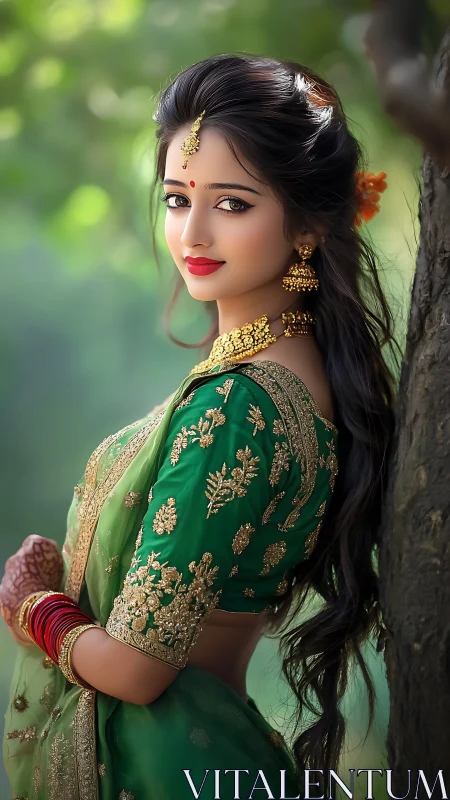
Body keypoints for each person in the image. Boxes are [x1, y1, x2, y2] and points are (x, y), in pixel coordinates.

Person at [1, 54, 398, 799]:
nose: (194, 232)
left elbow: (136, 671)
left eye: (233, 204)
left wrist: (33, 605)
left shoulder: (236, 407)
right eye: (178, 199)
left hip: (153, 764)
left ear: (308, 224)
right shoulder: (297, 372)